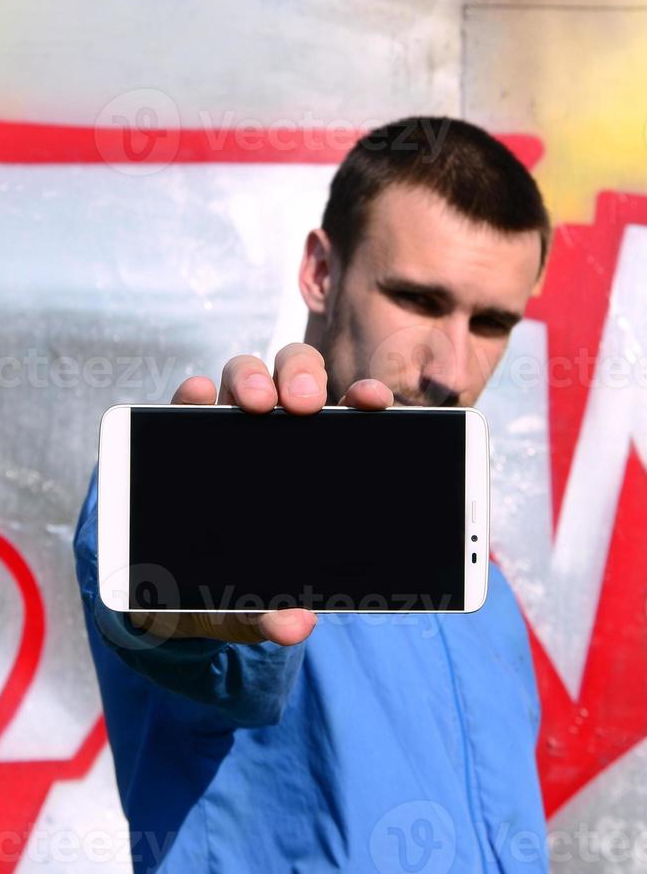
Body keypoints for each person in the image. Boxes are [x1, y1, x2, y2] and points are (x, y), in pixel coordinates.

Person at [74, 117, 553, 873]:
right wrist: (205, 591)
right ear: (321, 274)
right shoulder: (200, 492)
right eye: (420, 301)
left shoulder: (481, 593)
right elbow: (181, 628)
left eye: (491, 321)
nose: (452, 369)